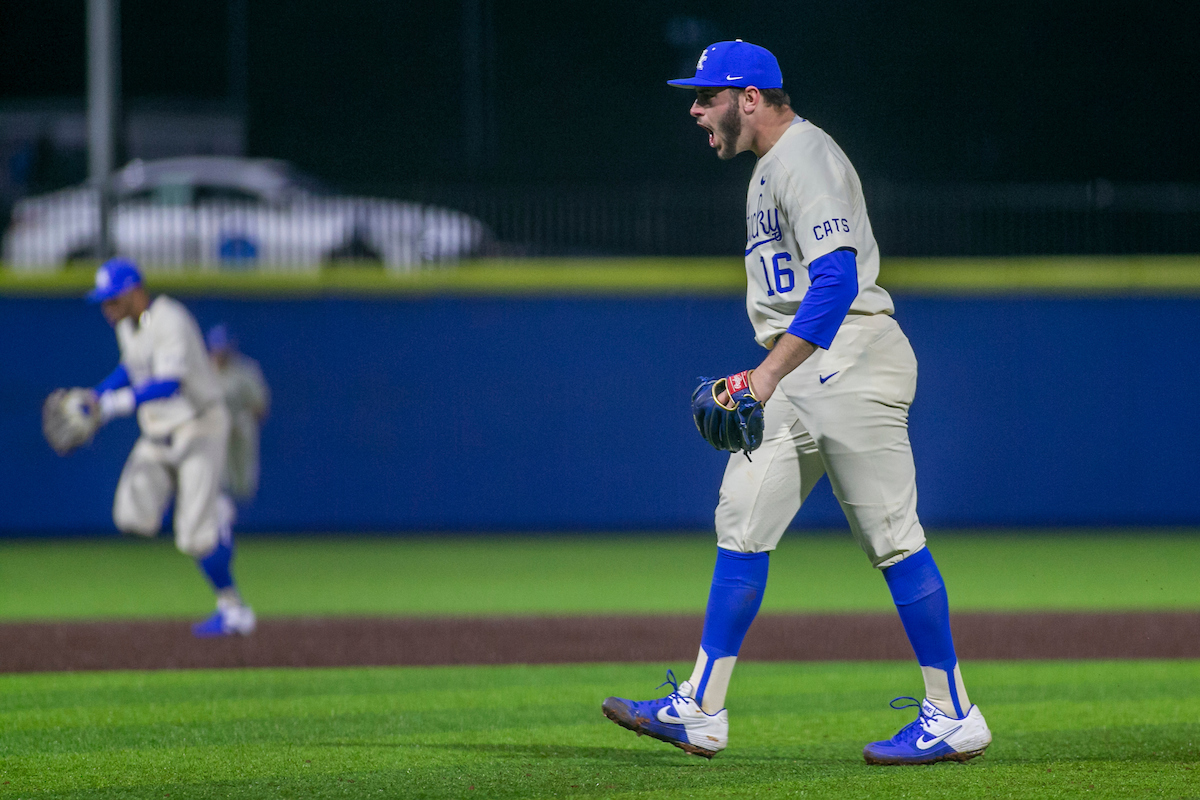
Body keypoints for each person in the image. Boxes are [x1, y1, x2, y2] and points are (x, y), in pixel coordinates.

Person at [601, 40, 991, 765]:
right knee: (741, 520)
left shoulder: (805, 157)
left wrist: (766, 376)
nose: (694, 109)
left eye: (705, 95)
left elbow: (837, 282)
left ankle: (953, 712)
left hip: (849, 360)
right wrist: (772, 375)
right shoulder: (767, 171)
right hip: (802, 366)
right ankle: (702, 710)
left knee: (892, 538)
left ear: (749, 97)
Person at [86, 257, 256, 637]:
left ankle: (233, 609)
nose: (107, 308)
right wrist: (96, 396)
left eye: (113, 299)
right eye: (104, 301)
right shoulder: (127, 327)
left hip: (199, 427)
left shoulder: (170, 320)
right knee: (130, 515)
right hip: (158, 435)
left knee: (194, 537)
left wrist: (112, 406)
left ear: (134, 292)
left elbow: (169, 383)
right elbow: (131, 367)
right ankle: (213, 507)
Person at [206, 324, 270, 504]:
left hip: (240, 431)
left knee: (241, 484)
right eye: (217, 348)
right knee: (217, 480)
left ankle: (240, 518)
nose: (220, 353)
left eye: (223, 349)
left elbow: (260, 406)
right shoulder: (204, 370)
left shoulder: (244, 371)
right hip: (212, 431)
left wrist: (240, 418)